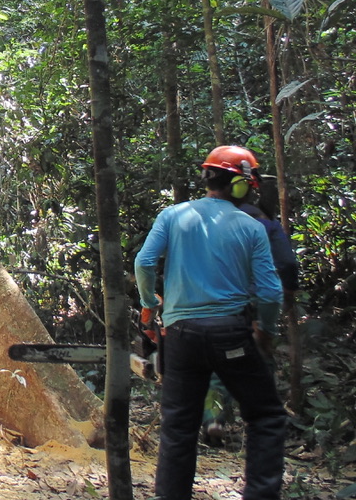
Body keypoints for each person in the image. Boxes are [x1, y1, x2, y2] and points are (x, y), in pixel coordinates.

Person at [135, 145, 288, 500]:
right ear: (241, 185)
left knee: (178, 427)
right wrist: (266, 332)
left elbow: (144, 263)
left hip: (181, 337)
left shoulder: (173, 216)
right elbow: (269, 294)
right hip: (230, 334)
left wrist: (149, 304)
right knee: (266, 416)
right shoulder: (251, 227)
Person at [203, 175, 300, 444]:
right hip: (260, 301)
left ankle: (213, 419)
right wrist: (289, 293)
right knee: (260, 360)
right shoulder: (266, 224)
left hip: (226, 301)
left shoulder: (217, 221)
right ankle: (261, 424)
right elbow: (288, 265)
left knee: (219, 365)